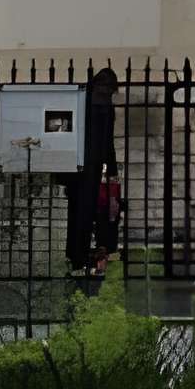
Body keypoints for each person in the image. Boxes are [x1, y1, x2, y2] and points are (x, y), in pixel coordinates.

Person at [62, 66, 121, 276]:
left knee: (84, 210)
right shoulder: (95, 104)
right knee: (86, 211)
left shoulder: (86, 101)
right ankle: (80, 255)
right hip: (87, 165)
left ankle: (79, 255)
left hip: (83, 165)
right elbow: (106, 140)